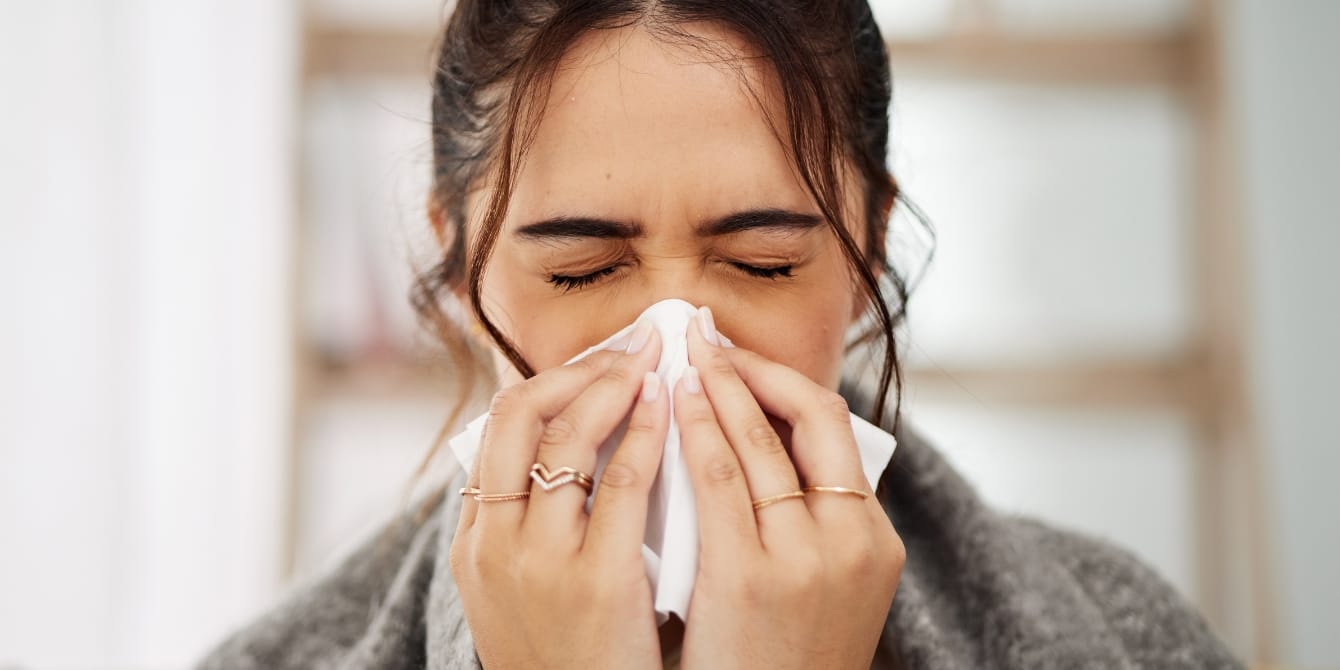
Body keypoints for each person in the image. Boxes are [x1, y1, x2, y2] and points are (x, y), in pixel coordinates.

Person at [196, 1, 1244, 668]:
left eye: (762, 263)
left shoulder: (1125, 640)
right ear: (463, 264)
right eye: (580, 268)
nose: (674, 344)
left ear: (867, 245)